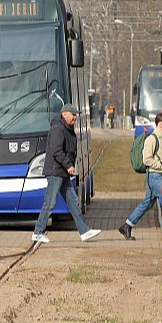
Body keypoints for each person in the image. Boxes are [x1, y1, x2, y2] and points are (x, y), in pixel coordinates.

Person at [32, 103, 102, 244]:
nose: (75, 117)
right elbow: (57, 151)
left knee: (74, 202)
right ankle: (38, 232)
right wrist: (69, 165)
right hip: (55, 172)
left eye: (76, 115)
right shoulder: (58, 129)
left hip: (62, 172)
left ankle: (84, 232)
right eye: (73, 114)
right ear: (64, 114)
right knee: (50, 203)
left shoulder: (68, 129)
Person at [119, 112, 162, 240]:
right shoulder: (152, 139)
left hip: (158, 176)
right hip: (155, 176)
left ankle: (127, 225)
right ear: (160, 124)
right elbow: (147, 160)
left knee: (147, 203)